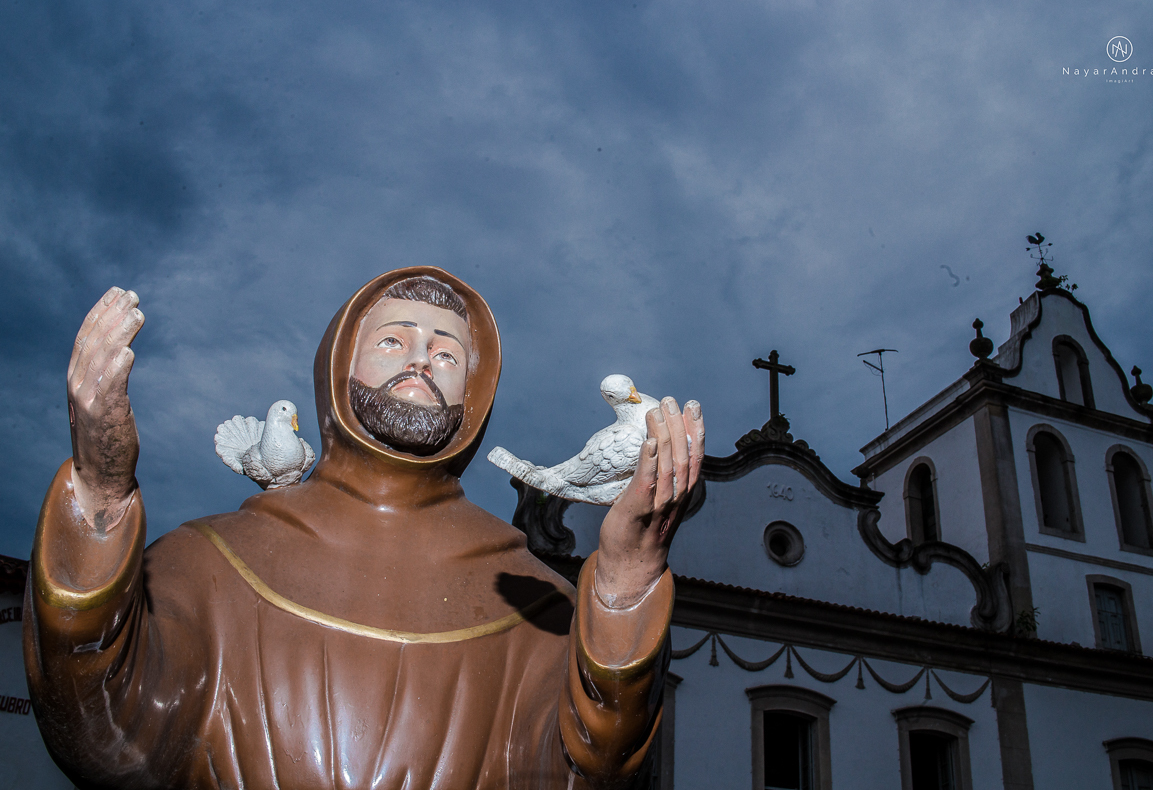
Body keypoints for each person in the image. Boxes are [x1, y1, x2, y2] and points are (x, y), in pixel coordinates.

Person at [25, 267, 704, 790]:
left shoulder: (535, 606)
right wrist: (101, 491)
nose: (420, 360)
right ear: (338, 366)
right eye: (392, 341)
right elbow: (102, 734)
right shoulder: (206, 565)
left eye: (446, 354)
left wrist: (626, 581)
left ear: (475, 390)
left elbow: (592, 775)